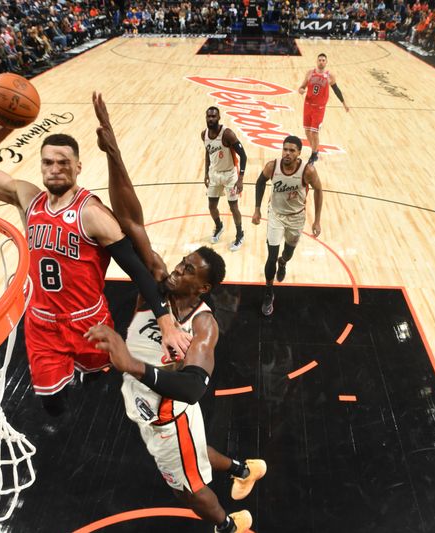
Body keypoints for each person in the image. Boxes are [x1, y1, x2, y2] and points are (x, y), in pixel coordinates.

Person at [87, 92, 264, 533]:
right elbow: (132, 222)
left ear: (202, 287)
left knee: (187, 488)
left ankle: (230, 525)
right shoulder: (156, 289)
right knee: (199, 454)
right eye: (182, 262)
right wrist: (114, 153)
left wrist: (131, 364)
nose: (176, 269)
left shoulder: (203, 326)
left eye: (187, 271)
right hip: (149, 403)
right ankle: (245, 469)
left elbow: (192, 389)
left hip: (168, 417)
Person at [0, 96, 190, 416]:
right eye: (48, 162)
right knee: (51, 403)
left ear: (77, 167)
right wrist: (7, 123)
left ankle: (91, 374)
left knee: (99, 375)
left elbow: (137, 269)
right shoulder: (27, 198)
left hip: (88, 321)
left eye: (63, 162)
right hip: (41, 322)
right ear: (41, 166)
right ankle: (61, 401)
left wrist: (166, 322)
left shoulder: (92, 213)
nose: (55, 168)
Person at [251, 135, 323, 316]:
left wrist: (317, 220)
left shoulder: (308, 171)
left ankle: (283, 263)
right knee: (271, 255)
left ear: (299, 153)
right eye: (285, 149)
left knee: (287, 254)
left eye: (292, 150)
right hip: (275, 215)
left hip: (296, 218)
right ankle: (269, 292)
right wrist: (257, 209)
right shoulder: (272, 166)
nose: (287, 153)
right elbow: (260, 182)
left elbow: (319, 190)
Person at [202, 106, 248, 251]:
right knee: (211, 206)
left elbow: (244, 155)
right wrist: (206, 173)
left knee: (233, 207)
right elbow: (208, 153)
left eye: (213, 116)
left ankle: (240, 234)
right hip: (214, 174)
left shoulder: (227, 134)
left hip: (230, 175)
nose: (211, 119)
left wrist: (240, 178)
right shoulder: (204, 134)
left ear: (219, 118)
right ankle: (219, 226)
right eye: (208, 116)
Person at [298, 53, 349, 163]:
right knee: (307, 131)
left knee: (314, 132)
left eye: (323, 60)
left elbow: (336, 90)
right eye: (319, 60)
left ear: (326, 62)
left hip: (319, 108)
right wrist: (301, 90)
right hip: (307, 105)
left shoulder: (329, 76)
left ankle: (314, 154)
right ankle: (315, 150)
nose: (321, 62)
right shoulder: (310, 73)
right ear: (317, 61)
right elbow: (302, 87)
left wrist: (344, 103)